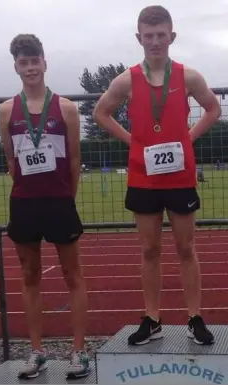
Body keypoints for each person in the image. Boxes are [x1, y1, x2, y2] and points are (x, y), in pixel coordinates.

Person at [93, 6, 221, 346]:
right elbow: (100, 112)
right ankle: (152, 318)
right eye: (148, 36)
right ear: (139, 38)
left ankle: (195, 317)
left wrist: (189, 138)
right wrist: (131, 140)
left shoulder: (188, 76)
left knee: (185, 246)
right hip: (143, 177)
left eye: (160, 35)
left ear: (171, 37)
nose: (155, 42)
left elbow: (213, 108)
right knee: (149, 249)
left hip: (180, 177)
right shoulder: (126, 79)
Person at [0, 34, 89, 379]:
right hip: (24, 202)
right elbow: (11, 159)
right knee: (30, 276)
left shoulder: (65, 108)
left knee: (72, 275)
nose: (30, 67)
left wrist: (67, 197)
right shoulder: (7, 110)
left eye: (35, 60)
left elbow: (75, 158)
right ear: (17, 68)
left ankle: (78, 351)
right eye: (24, 62)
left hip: (59, 202)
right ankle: (37, 352)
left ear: (44, 63)